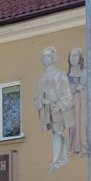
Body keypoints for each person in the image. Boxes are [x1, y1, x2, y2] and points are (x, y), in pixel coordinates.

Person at [34, 45, 73, 173]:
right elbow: (38, 94)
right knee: (57, 133)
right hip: (47, 108)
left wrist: (59, 105)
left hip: (57, 107)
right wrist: (41, 101)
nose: (46, 59)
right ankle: (64, 157)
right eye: (44, 56)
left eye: (48, 56)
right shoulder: (41, 76)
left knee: (57, 132)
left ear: (53, 57)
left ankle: (56, 161)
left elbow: (67, 93)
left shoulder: (60, 74)